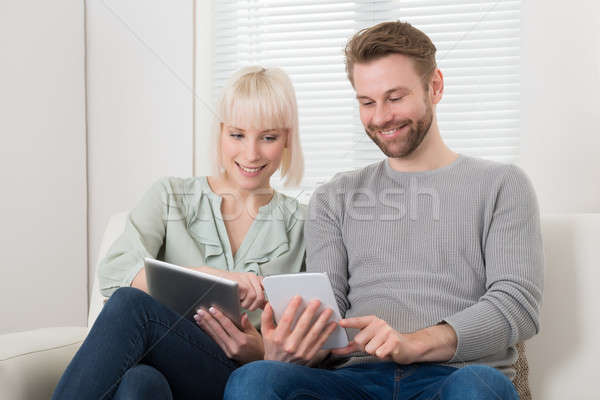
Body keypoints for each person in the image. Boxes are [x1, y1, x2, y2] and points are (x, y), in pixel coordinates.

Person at [224, 21, 543, 399]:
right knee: (254, 380)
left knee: (480, 388)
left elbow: (517, 305)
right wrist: (293, 344)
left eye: (395, 98)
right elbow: (331, 309)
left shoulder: (502, 185)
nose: (380, 118)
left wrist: (411, 343)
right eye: (367, 102)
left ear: (435, 86)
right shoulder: (335, 196)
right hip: (353, 381)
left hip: (454, 377)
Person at [51, 66, 306, 400]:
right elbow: (114, 271)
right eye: (237, 135)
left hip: (244, 380)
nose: (251, 153)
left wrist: (261, 352)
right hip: (172, 375)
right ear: (220, 133)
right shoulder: (169, 196)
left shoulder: (304, 223)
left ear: (286, 138)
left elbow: (318, 341)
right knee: (138, 384)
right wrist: (204, 275)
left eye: (268, 137)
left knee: (133, 306)